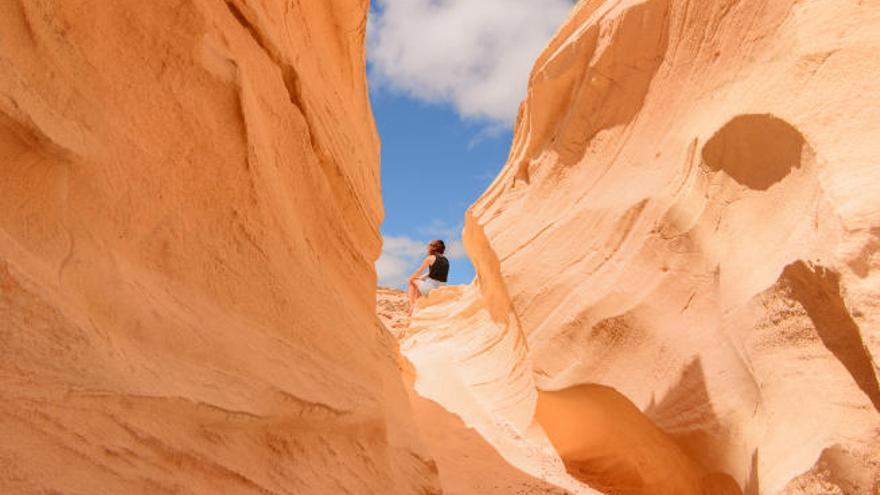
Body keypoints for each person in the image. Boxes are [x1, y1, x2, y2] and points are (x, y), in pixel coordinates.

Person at [407, 239, 449, 314]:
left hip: (431, 288)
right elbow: (430, 273)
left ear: (433, 248)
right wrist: (420, 279)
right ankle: (418, 307)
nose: (427, 247)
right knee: (419, 285)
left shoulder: (430, 258)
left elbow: (419, 271)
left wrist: (411, 278)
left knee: (411, 281)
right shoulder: (446, 260)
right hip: (441, 288)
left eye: (429, 245)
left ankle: (412, 306)